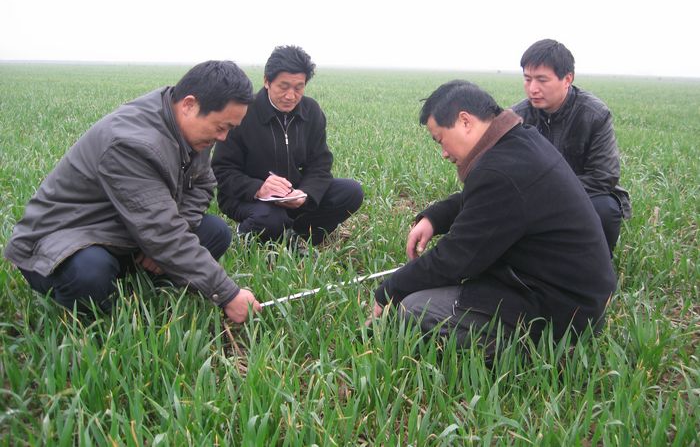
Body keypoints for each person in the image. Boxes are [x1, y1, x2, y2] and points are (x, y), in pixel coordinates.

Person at [367, 80, 617, 353]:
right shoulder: (518, 142)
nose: (444, 154)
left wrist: (388, 291)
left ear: (465, 121)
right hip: (567, 295)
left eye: (441, 140)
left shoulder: (500, 171)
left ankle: (535, 351)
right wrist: (435, 218)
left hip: (561, 316)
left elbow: (454, 259)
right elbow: (483, 200)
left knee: (415, 309)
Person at [4, 61, 262, 323]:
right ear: (189, 104)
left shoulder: (192, 129)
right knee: (91, 271)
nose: (223, 138)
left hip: (124, 231)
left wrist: (165, 244)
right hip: (64, 241)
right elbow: (162, 232)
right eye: (221, 127)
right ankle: (91, 324)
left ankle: (141, 293)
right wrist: (227, 295)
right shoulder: (131, 143)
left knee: (215, 232)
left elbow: (203, 184)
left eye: (229, 129)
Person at [212, 45, 363, 247]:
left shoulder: (311, 111)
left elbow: (320, 164)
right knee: (270, 219)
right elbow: (222, 170)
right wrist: (259, 188)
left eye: (298, 88)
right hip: (248, 197)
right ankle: (245, 234)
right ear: (267, 81)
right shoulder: (243, 113)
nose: (291, 96)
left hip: (293, 194)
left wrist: (305, 194)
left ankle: (299, 235)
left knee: (351, 192)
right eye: (283, 87)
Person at [512, 39, 631, 254]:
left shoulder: (594, 114)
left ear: (567, 79)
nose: (532, 89)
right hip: (531, 199)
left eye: (542, 80)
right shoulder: (516, 118)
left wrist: (549, 191)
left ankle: (596, 263)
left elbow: (604, 176)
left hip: (581, 196)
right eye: (527, 79)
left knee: (605, 209)